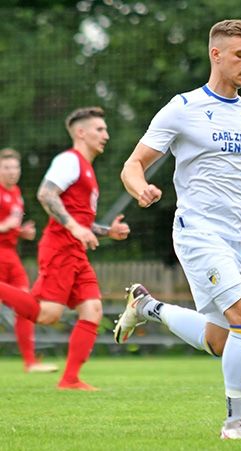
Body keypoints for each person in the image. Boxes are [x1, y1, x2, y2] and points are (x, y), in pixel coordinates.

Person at [113, 19, 241, 440]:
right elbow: (132, 164)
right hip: (198, 231)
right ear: (215, 54)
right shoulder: (182, 108)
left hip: (237, 237)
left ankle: (147, 308)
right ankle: (235, 424)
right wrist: (140, 187)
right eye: (240, 55)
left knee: (223, 340)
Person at [0, 107, 130, 390]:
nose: (106, 135)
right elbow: (46, 193)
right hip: (60, 247)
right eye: (100, 129)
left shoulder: (87, 170)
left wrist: (109, 232)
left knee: (93, 309)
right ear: (81, 132)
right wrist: (73, 227)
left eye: (106, 130)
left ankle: (70, 379)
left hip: (76, 251)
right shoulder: (69, 160)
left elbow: (83, 221)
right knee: (48, 314)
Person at [0, 148, 58, 373]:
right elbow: (4, 225)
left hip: (11, 257)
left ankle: (30, 362)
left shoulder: (16, 192)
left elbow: (9, 227)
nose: (12, 172)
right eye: (6, 167)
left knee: (25, 305)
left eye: (16, 167)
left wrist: (21, 232)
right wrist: (6, 226)